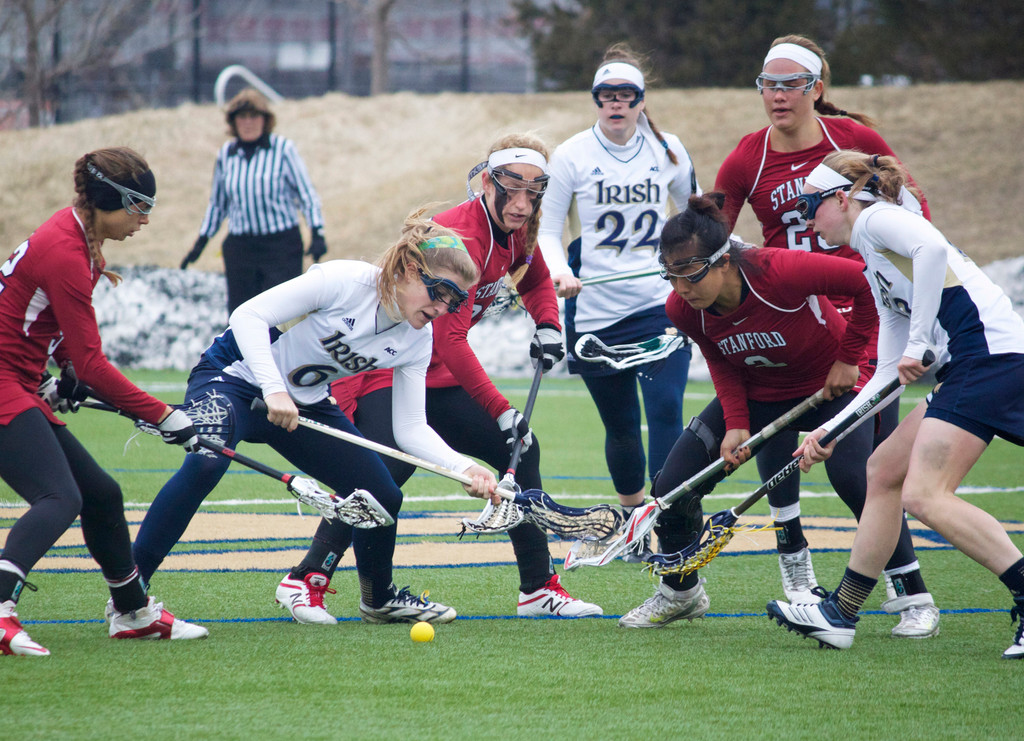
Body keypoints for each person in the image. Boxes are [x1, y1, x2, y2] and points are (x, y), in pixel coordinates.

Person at [281, 134, 603, 621]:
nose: (521, 205)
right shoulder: (465, 239)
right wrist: (501, 409)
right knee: (380, 478)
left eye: (532, 194)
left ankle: (538, 588)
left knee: (520, 449)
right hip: (390, 371)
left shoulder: (517, 230)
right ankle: (307, 579)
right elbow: (450, 341)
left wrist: (548, 324)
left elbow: (534, 277)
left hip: (436, 378)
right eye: (511, 191)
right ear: (487, 182)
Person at [132, 210, 497, 627]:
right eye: (441, 291)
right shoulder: (344, 281)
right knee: (205, 460)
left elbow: (410, 427)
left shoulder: (417, 337)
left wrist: (464, 467)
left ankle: (378, 601)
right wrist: (272, 389)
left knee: (381, 496)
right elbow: (248, 316)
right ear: (411, 271)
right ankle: (130, 599)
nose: (445, 307)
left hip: (304, 403)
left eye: (458, 300)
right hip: (236, 378)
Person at [618, 192, 937, 639]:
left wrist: (850, 357)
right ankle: (681, 593)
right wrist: (735, 423)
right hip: (760, 393)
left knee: (858, 479)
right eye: (671, 275)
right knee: (671, 488)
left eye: (690, 273)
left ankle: (914, 597)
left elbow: (867, 283)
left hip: (834, 386)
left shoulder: (778, 270)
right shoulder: (682, 309)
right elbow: (720, 359)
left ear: (724, 260)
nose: (681, 288)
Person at [766, 152, 1024, 658]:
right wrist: (831, 431)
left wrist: (921, 340)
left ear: (841, 198)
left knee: (924, 495)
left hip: (989, 358)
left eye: (810, 207)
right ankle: (840, 613)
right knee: (883, 470)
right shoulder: (874, 262)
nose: (806, 219)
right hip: (977, 365)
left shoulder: (877, 220)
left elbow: (929, 245)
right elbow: (886, 374)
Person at [714, 34, 932, 593]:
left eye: (791, 84)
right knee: (770, 426)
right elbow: (713, 234)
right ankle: (795, 564)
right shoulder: (747, 155)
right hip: (793, 320)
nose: (778, 95)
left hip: (866, 314)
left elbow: (914, 208)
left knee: (859, 469)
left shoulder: (852, 138)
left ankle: (907, 587)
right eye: (769, 84)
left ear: (817, 88)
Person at [0, 147, 209, 656]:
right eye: (138, 207)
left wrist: (61, 374)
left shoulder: (80, 239)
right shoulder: (67, 252)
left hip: (19, 379)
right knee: (60, 497)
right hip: (5, 382)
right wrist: (162, 414)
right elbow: (95, 364)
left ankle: (133, 612)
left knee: (100, 495)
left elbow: (63, 342)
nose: (143, 219)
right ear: (110, 200)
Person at [537, 44, 699, 559]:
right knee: (622, 427)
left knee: (668, 410)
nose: (616, 104)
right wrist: (560, 271)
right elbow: (546, 232)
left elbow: (695, 218)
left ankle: (670, 526)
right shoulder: (570, 155)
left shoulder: (668, 149)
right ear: (595, 100)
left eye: (625, 95)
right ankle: (632, 527)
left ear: (640, 100)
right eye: (606, 96)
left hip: (659, 304)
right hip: (595, 312)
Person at [180, 88, 329, 314]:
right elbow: (218, 204)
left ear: (265, 120)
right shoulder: (226, 155)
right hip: (241, 249)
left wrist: (317, 232)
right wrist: (200, 243)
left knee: (281, 315)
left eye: (254, 116)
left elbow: (306, 194)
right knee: (242, 315)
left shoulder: (283, 150)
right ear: (233, 121)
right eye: (242, 116)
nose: (248, 122)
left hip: (281, 247)